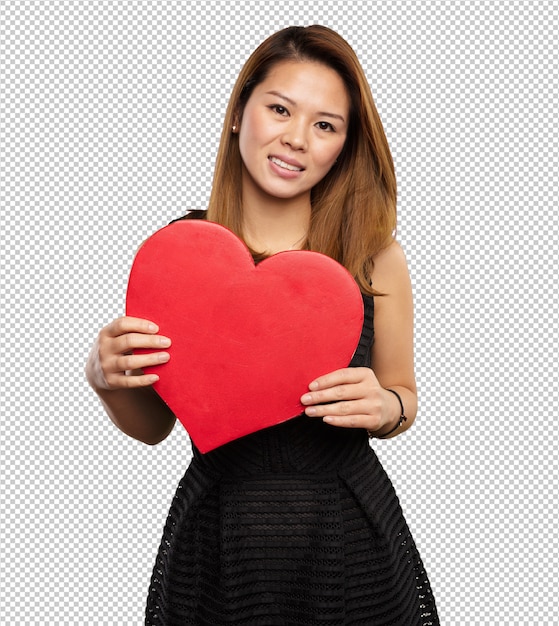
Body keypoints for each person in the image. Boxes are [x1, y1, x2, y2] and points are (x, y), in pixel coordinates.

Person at [86, 25, 439, 625]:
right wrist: (106, 379)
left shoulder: (375, 256)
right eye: (279, 108)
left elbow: (404, 397)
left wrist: (386, 408)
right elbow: (156, 428)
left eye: (325, 125)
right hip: (219, 539)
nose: (296, 138)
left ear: (345, 146)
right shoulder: (181, 253)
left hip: (348, 538)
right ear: (238, 113)